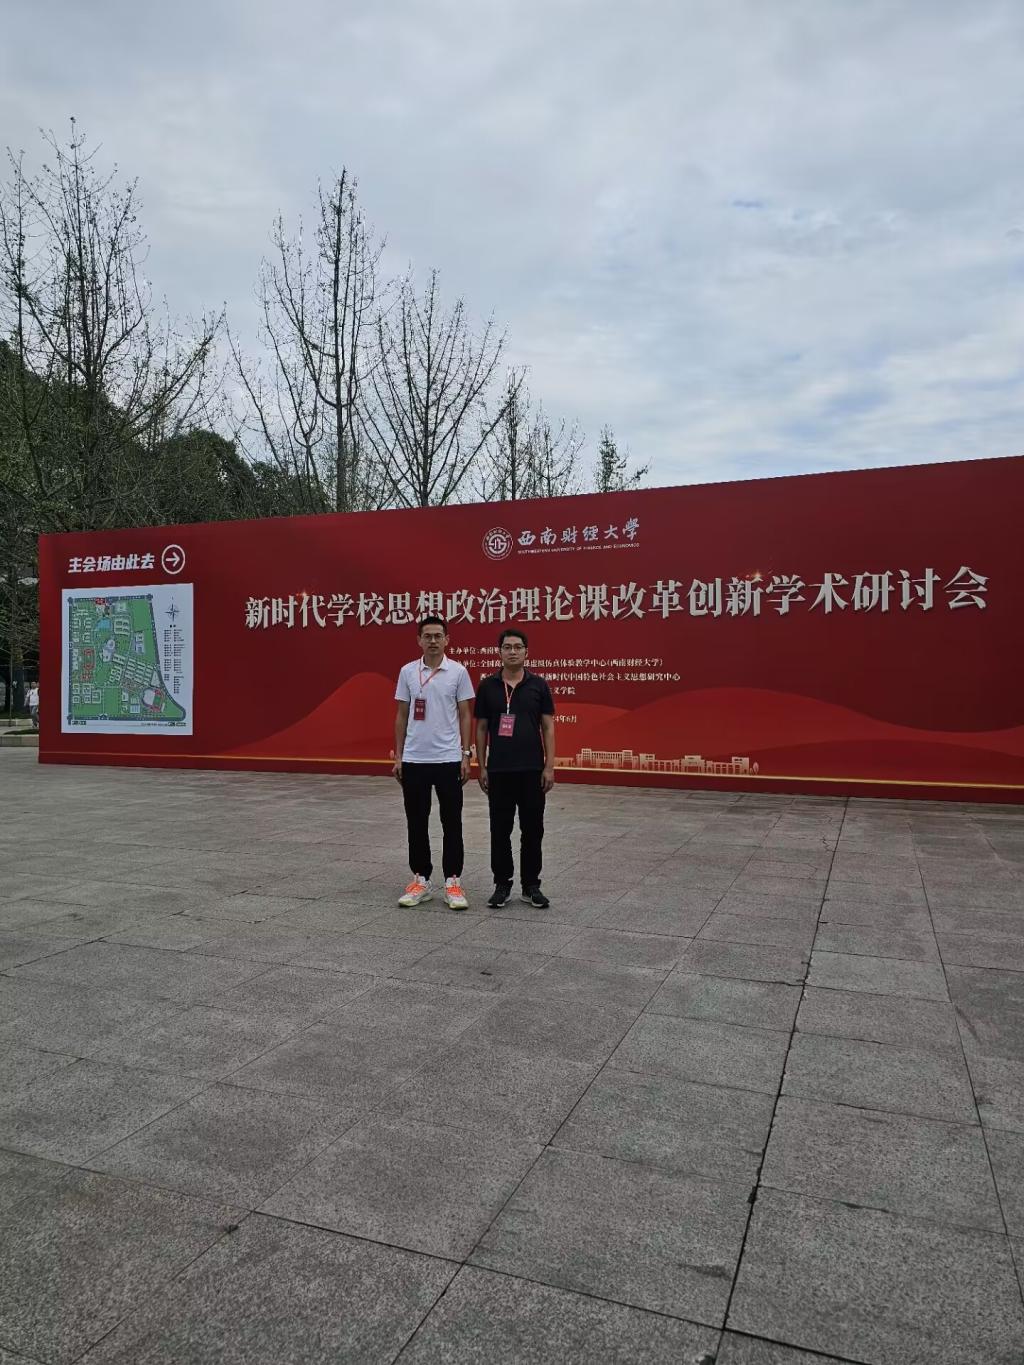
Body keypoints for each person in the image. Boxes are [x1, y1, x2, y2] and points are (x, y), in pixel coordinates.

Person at [393, 616, 474, 910]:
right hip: (415, 758)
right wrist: (399, 756)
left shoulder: (458, 672)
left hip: (448, 759)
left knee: (452, 822)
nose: (433, 641)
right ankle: (421, 879)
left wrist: (466, 754)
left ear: (447, 639)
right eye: (427, 636)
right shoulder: (407, 672)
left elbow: (465, 714)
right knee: (416, 821)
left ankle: (453, 881)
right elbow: (402, 715)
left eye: (438, 635)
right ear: (419, 640)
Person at [474, 628, 555, 909]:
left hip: (532, 770)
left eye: (517, 647)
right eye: (507, 647)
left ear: (526, 652)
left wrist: (549, 766)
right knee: (500, 830)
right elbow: (481, 728)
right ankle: (502, 884)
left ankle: (531, 885)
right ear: (499, 652)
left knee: (532, 830)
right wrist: (481, 766)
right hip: (499, 770)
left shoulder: (538, 685)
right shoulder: (488, 686)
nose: (512, 651)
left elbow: (548, 727)